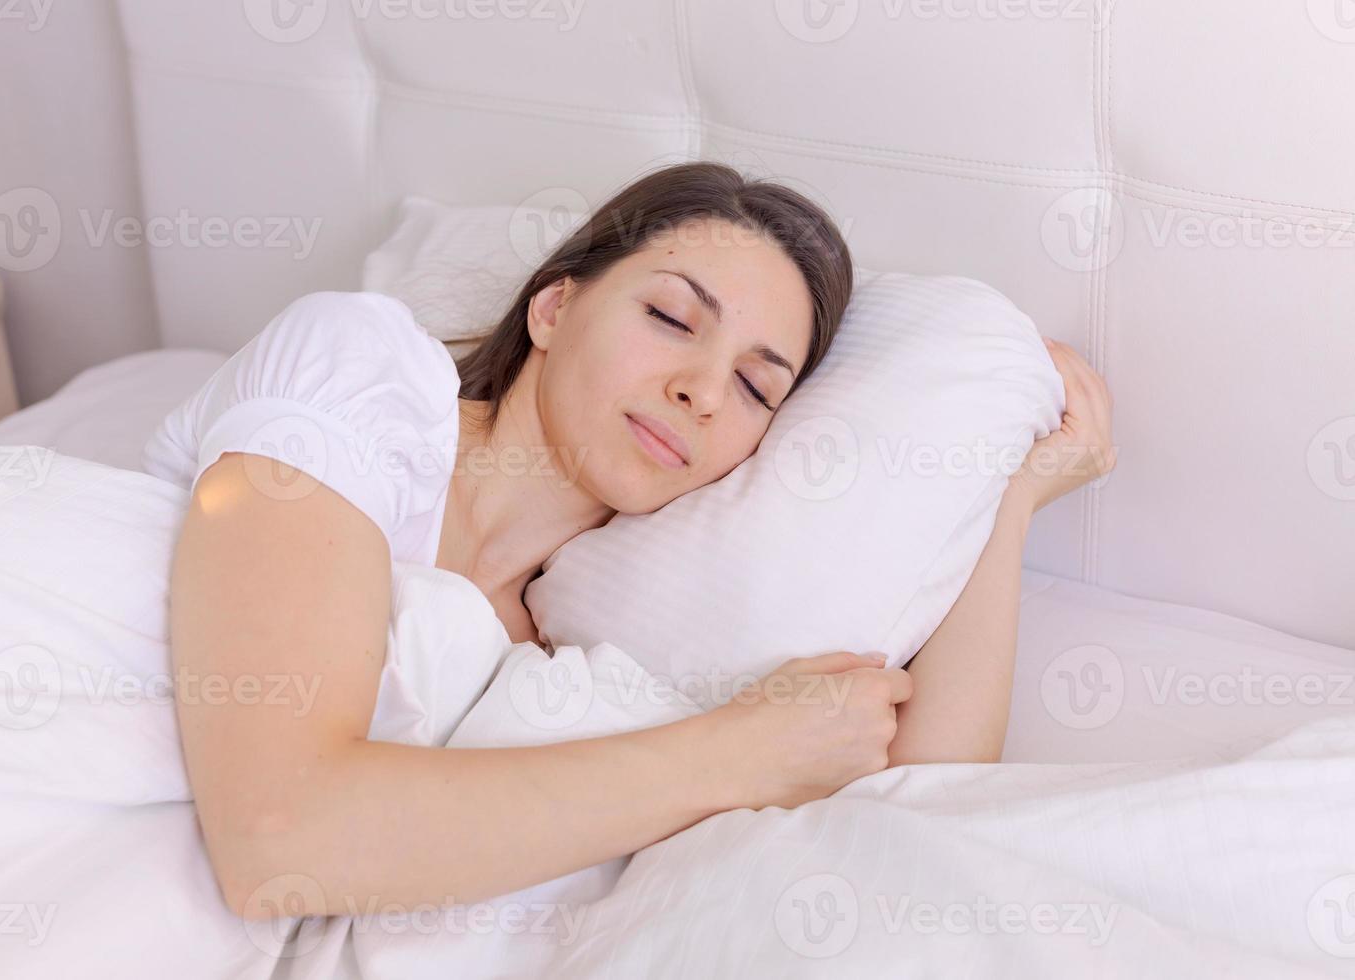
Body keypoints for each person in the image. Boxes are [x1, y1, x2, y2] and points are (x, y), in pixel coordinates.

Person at [143, 161, 1116, 920]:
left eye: (755, 386)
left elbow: (919, 801)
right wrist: (738, 751)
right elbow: (277, 836)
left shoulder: (580, 631)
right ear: (556, 306)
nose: (702, 387)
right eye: (670, 317)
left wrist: (1010, 495)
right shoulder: (359, 372)